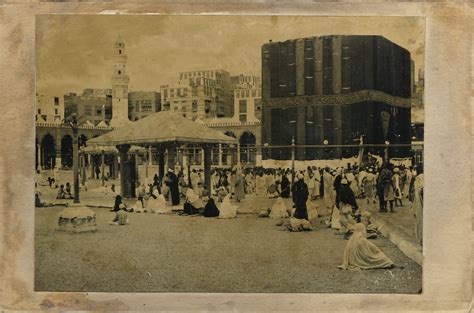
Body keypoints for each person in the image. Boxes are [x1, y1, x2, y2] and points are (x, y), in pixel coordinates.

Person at [411, 167, 424, 245]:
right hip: (418, 201)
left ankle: (422, 240)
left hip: (420, 202)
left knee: (420, 220)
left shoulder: (420, 177)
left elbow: (421, 189)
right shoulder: (419, 177)